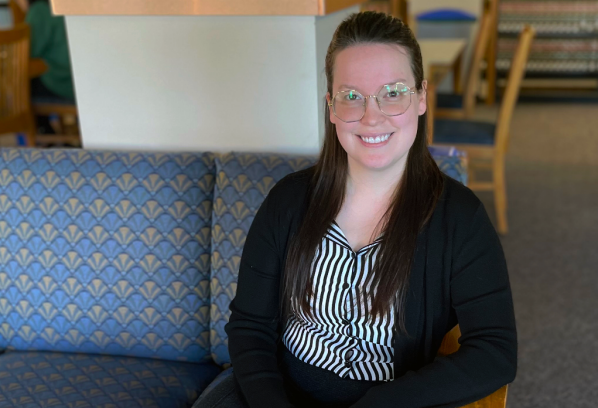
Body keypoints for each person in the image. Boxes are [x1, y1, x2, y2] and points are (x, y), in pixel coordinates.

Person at [197, 11, 517, 408]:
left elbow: (495, 352)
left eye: (393, 92)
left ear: (421, 98)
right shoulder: (287, 201)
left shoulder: (460, 219)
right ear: (332, 108)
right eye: (352, 97)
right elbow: (249, 326)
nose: (371, 115)